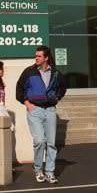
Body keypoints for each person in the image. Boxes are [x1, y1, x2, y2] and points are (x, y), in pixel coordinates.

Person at [16, 45, 67, 184]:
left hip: (50, 110)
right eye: (36, 55)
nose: (36, 58)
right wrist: (27, 104)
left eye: (39, 56)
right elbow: (19, 89)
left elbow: (63, 86)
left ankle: (50, 172)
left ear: (46, 58)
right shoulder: (29, 72)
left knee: (51, 143)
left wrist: (57, 97)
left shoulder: (56, 73)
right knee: (39, 140)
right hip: (35, 110)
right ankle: (38, 169)